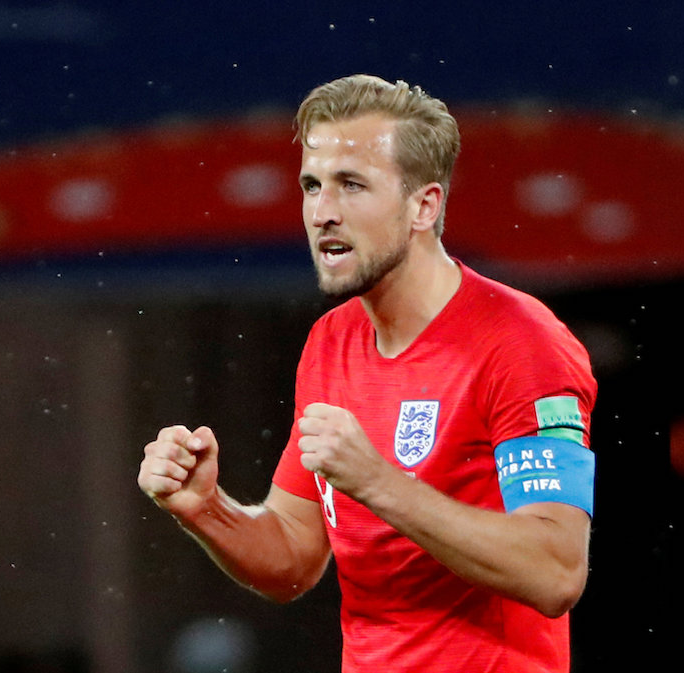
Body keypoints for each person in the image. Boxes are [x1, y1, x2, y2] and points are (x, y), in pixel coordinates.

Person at [137, 74, 597, 673]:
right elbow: (295, 559)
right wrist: (207, 509)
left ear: (424, 206)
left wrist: (379, 483)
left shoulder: (522, 343)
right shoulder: (331, 343)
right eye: (312, 186)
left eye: (351, 185)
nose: (323, 213)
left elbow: (556, 571)